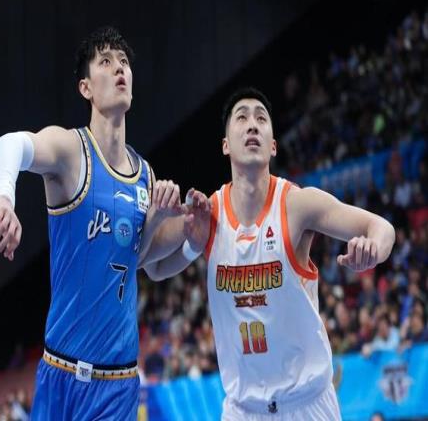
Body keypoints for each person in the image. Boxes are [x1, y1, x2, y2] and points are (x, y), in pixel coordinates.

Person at [0, 27, 202, 420]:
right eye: (106, 61)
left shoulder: (145, 175)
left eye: (124, 62)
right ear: (85, 87)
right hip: (61, 374)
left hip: (118, 386)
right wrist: (5, 199)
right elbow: (9, 144)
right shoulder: (71, 151)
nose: (119, 68)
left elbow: (143, 261)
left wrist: (185, 232)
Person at [146, 87, 395, 420]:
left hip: (307, 404)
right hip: (243, 409)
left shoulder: (297, 205)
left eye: (261, 119)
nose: (252, 125)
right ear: (225, 145)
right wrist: (187, 238)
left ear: (273, 145)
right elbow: (153, 267)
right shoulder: (208, 212)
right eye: (242, 118)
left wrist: (373, 250)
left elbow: (382, 228)